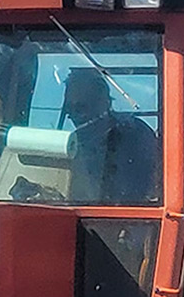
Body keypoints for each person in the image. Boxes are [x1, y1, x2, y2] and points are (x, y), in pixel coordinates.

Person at [63, 68, 161, 204]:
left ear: (105, 103)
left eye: (81, 108)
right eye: (70, 110)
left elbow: (157, 185)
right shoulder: (69, 144)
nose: (74, 118)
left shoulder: (135, 133)